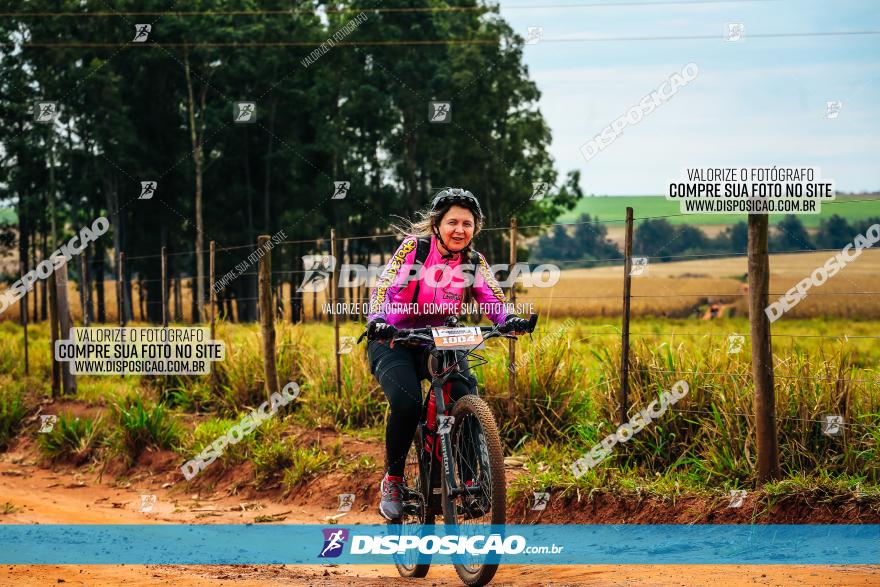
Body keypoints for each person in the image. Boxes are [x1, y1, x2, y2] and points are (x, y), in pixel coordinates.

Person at [363, 187, 532, 520]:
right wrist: (379, 320)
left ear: (475, 228)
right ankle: (393, 481)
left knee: (465, 393)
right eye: (452, 222)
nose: (460, 230)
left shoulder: (473, 261)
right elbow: (387, 288)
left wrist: (508, 320)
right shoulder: (414, 249)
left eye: (467, 224)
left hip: (439, 339)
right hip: (394, 340)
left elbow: (491, 298)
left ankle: (471, 478)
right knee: (407, 403)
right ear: (437, 224)